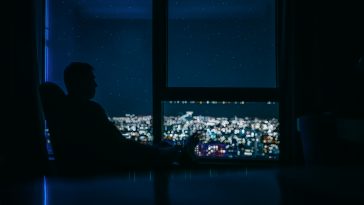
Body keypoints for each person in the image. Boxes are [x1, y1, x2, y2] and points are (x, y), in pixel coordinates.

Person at [49, 62, 197, 173]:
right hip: (107, 163)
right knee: (164, 150)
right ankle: (177, 152)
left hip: (97, 162)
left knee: (162, 146)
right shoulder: (89, 109)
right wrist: (154, 152)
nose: (96, 84)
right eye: (90, 79)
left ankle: (171, 151)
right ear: (80, 82)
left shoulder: (65, 110)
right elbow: (119, 145)